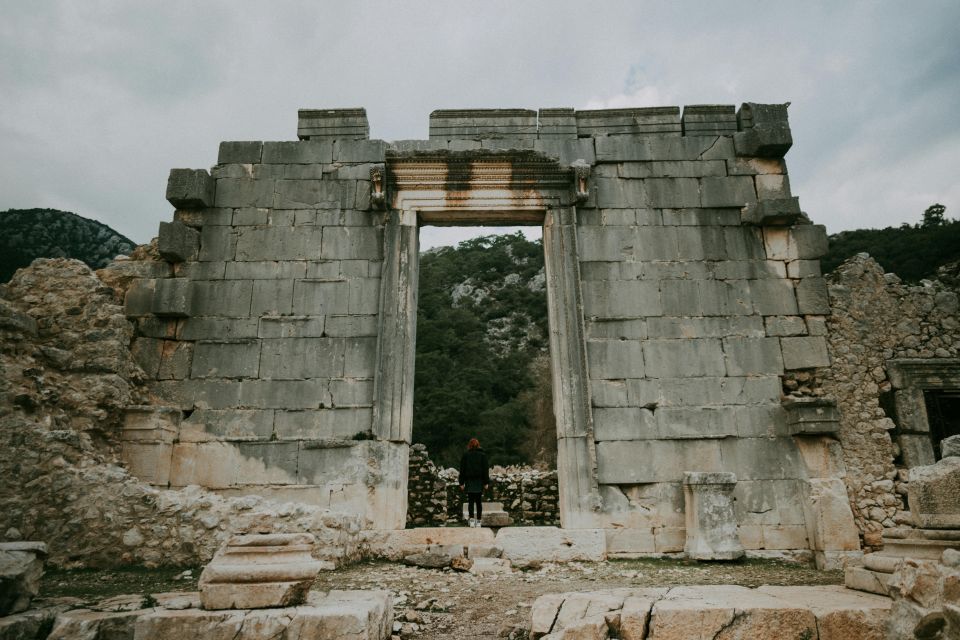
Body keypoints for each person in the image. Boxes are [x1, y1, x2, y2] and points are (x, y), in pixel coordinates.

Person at [459, 437, 489, 527]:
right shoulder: (483, 455)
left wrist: (461, 483)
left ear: (469, 445)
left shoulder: (465, 455)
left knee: (471, 501)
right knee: (479, 502)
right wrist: (486, 482)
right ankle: (479, 521)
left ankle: (472, 520)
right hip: (479, 481)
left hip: (469, 481)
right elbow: (485, 470)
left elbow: (462, 470)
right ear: (478, 445)